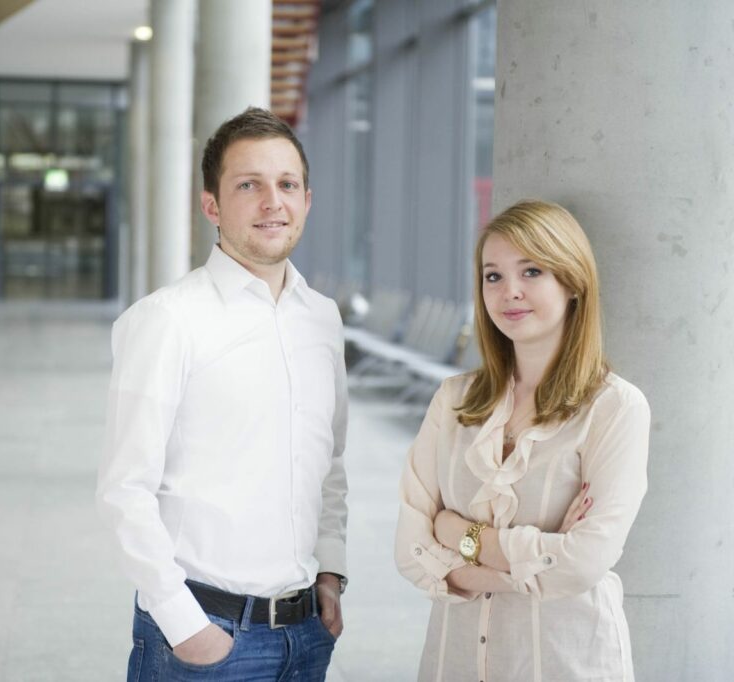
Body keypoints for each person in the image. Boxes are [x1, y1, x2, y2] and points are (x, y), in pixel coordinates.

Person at [96, 107, 349, 681]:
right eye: (248, 185)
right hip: (207, 640)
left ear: (307, 200)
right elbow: (124, 490)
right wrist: (185, 626)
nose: (272, 201)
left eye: (287, 185)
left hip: (307, 634)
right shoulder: (167, 320)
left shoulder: (322, 319)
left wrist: (330, 574)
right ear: (211, 205)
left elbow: (328, 461)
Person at [394, 200, 650, 681]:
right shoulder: (452, 401)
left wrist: (457, 535)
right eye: (493, 276)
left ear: (572, 281)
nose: (509, 292)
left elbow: (583, 564)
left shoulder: (615, 409)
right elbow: (410, 549)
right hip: (455, 663)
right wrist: (537, 557)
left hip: (566, 662)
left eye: (531, 271)